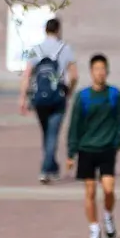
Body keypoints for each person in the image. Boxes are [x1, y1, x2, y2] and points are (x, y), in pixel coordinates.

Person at [66, 52, 120, 238]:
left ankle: (108, 215)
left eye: (103, 69)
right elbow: (74, 125)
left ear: (107, 71)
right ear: (91, 72)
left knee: (109, 189)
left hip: (107, 149)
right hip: (86, 149)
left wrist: (117, 143)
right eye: (96, 69)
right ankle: (94, 228)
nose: (100, 73)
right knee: (90, 191)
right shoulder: (83, 97)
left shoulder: (115, 95)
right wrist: (71, 152)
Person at [19, 17, 78, 184]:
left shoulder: (35, 49)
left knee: (47, 134)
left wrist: (23, 97)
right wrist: (69, 91)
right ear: (58, 30)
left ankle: (53, 167)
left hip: (39, 99)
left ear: (45, 30)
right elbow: (74, 75)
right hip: (58, 97)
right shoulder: (65, 49)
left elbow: (27, 75)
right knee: (52, 134)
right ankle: (45, 170)